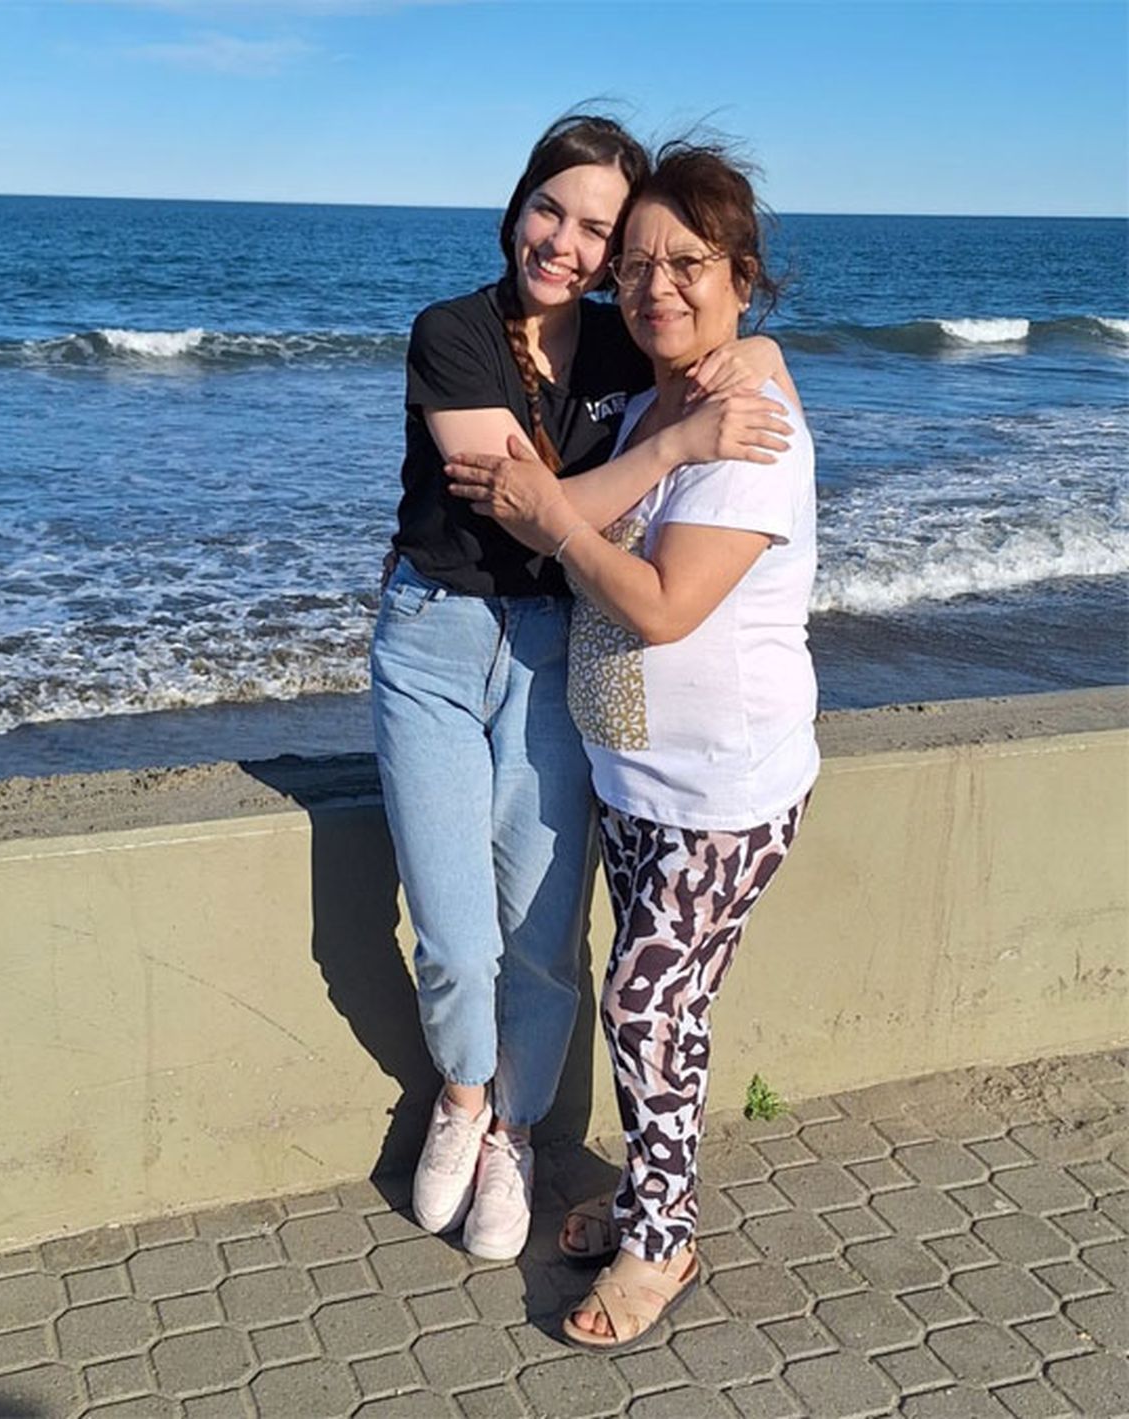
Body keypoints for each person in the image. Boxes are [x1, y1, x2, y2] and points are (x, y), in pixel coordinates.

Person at [371, 113, 795, 1264]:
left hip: (559, 644)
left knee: (547, 934)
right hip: (438, 644)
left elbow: (739, 355)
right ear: (518, 204)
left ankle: (515, 1130)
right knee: (458, 935)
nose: (563, 241)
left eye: (599, 229)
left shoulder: (621, 344)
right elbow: (517, 498)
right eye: (549, 208)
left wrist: (743, 376)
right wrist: (665, 449)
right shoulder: (452, 333)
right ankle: (464, 1094)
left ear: (618, 252)